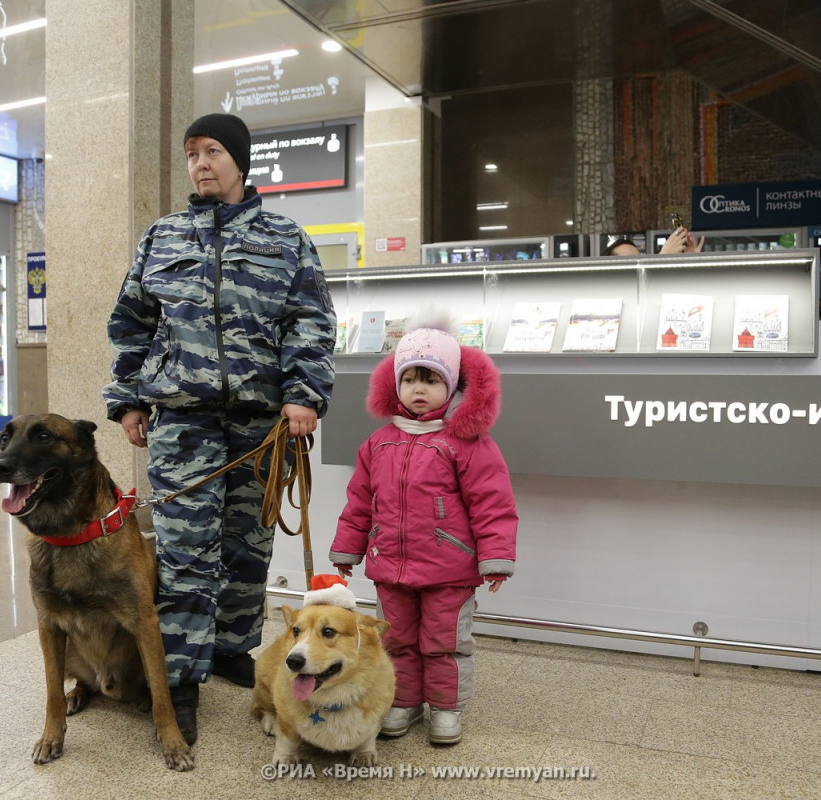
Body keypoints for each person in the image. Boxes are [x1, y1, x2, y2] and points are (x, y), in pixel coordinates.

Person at [103, 113, 336, 746]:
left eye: (213, 152)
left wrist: (304, 395)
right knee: (182, 553)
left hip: (263, 426)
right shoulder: (162, 237)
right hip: (182, 421)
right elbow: (130, 323)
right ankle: (177, 681)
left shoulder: (286, 238)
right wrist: (126, 399)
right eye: (191, 154)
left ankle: (233, 647)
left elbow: (310, 321)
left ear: (240, 161)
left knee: (248, 545)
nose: (201, 163)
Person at [329, 322, 518, 746]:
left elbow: (493, 504)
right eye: (410, 378)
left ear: (451, 387)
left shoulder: (467, 443)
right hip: (390, 567)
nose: (419, 388)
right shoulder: (378, 443)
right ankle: (406, 701)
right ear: (395, 385)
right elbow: (360, 501)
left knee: (444, 642)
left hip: (448, 569)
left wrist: (496, 557)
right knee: (397, 641)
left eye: (431, 379)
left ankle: (446, 708)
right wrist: (347, 550)